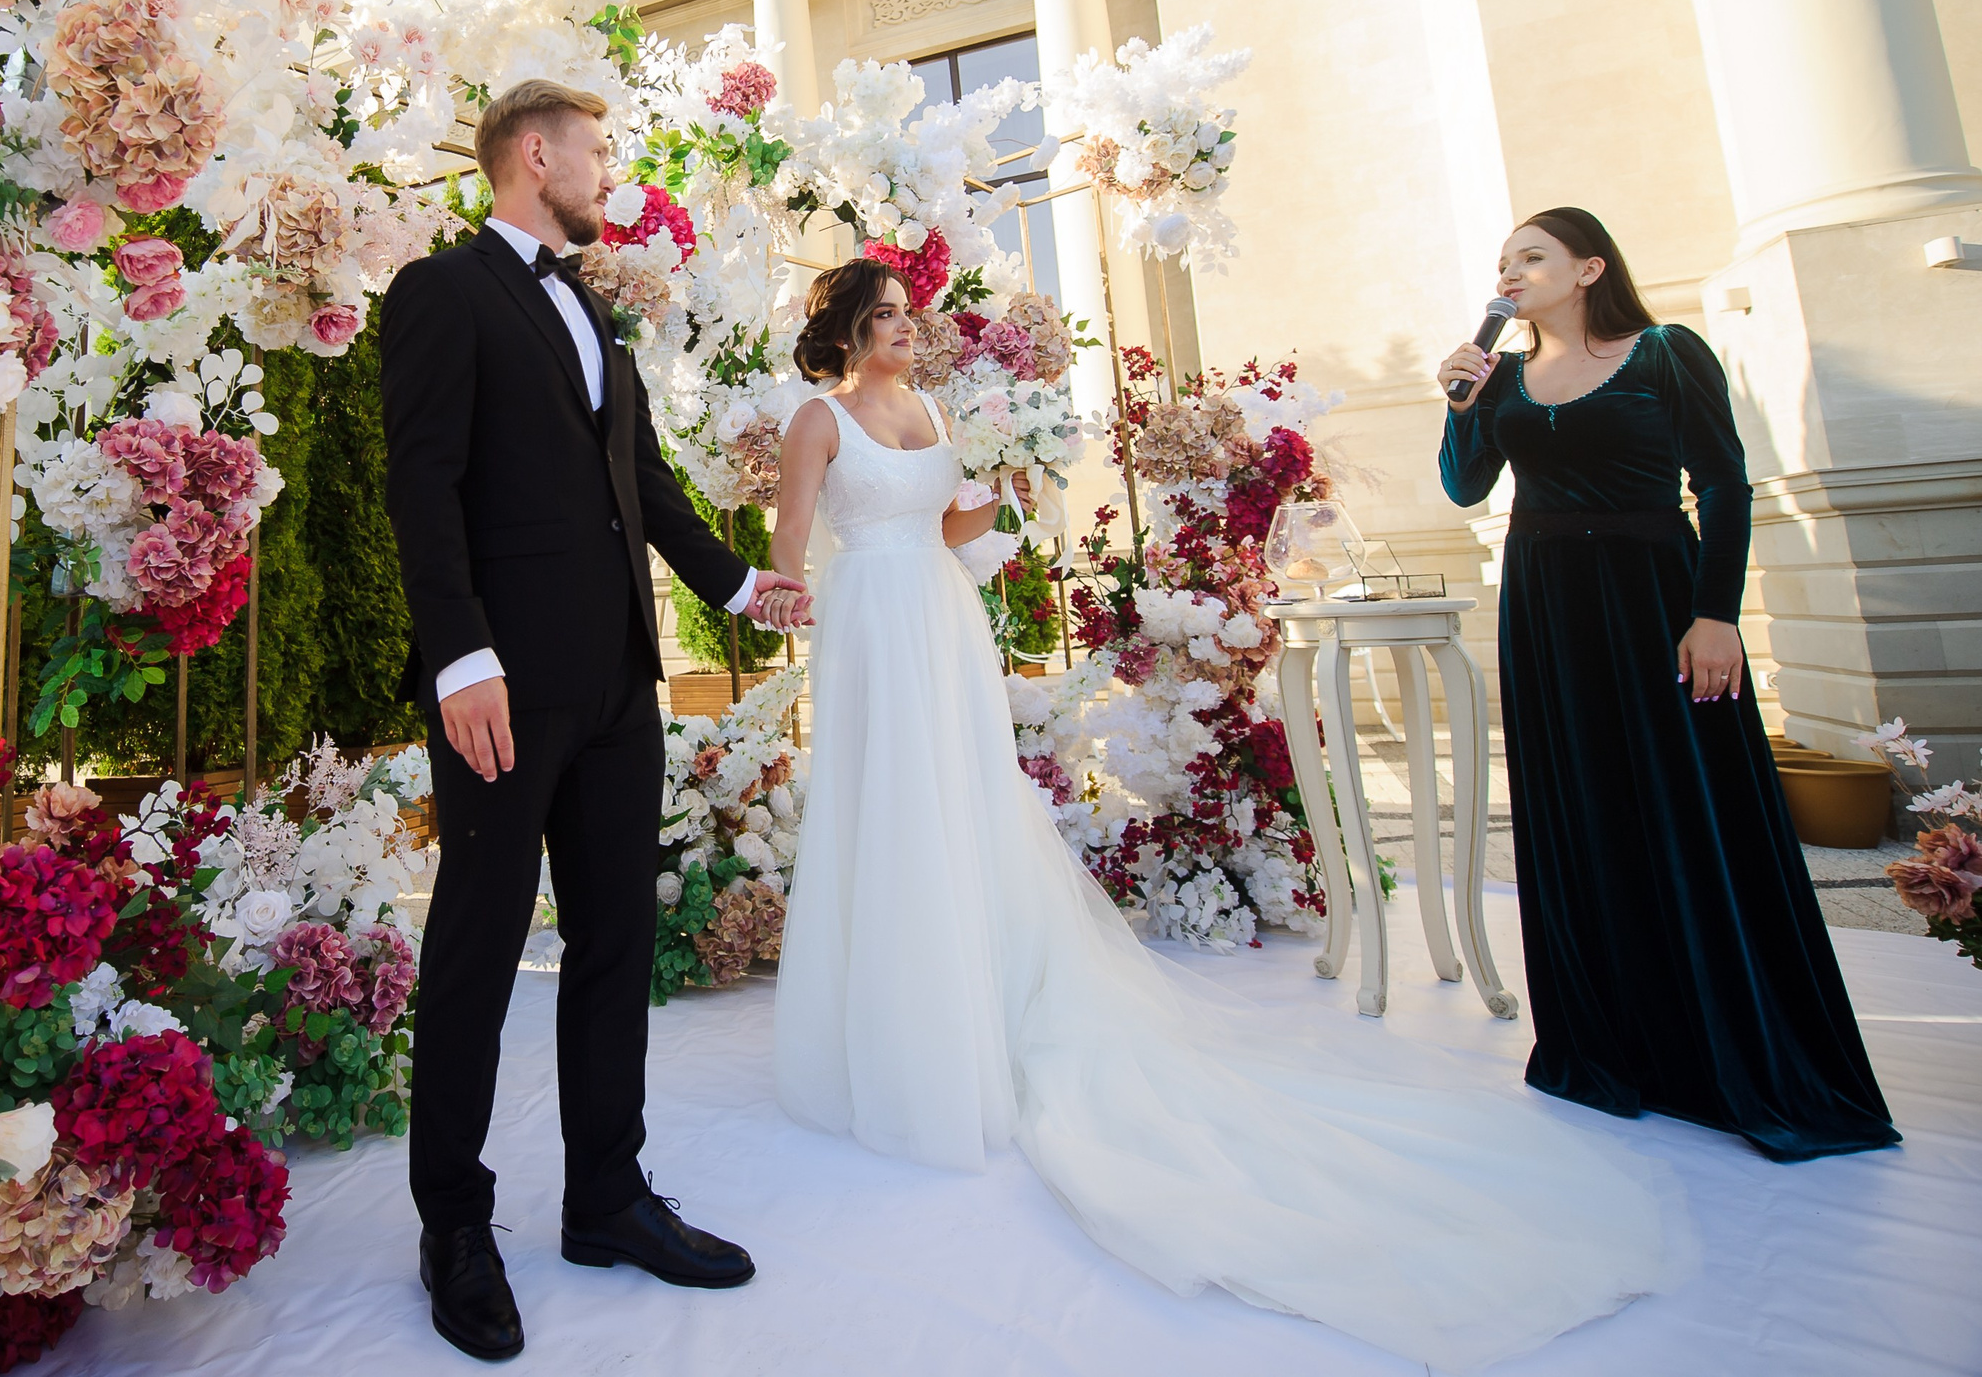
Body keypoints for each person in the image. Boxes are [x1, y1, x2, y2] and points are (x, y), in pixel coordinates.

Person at [764, 256, 1692, 1372]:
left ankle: (973, 997)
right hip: (870, 618)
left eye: (909, 317)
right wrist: (807, 623)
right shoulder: (817, 420)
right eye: (886, 319)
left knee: (961, 807)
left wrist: (1000, 500)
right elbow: (793, 549)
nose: (908, 333)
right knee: (888, 810)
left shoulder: (933, 405)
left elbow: (950, 529)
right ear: (847, 330)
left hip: (941, 618)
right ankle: (901, 1025)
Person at [379, 79, 809, 1361]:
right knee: (475, 949)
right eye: (596, 151)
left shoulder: (591, 310)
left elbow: (646, 486)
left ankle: (605, 1199)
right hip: (504, 689)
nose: (608, 171)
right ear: (532, 152)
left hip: (622, 683)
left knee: (617, 943)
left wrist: (737, 584)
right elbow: (423, 484)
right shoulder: (441, 292)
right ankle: (452, 1223)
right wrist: (462, 659)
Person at [1437, 206, 1897, 1161]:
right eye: (1503, 262)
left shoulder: (1663, 353)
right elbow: (1464, 489)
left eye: (1534, 257)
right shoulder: (1503, 374)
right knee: (1585, 809)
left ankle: (1733, 1047)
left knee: (1689, 806)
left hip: (1654, 599)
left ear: (1590, 267)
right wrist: (1460, 404)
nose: (1512, 274)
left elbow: (1723, 483)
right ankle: (1614, 1043)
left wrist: (1714, 610)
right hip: (1547, 613)